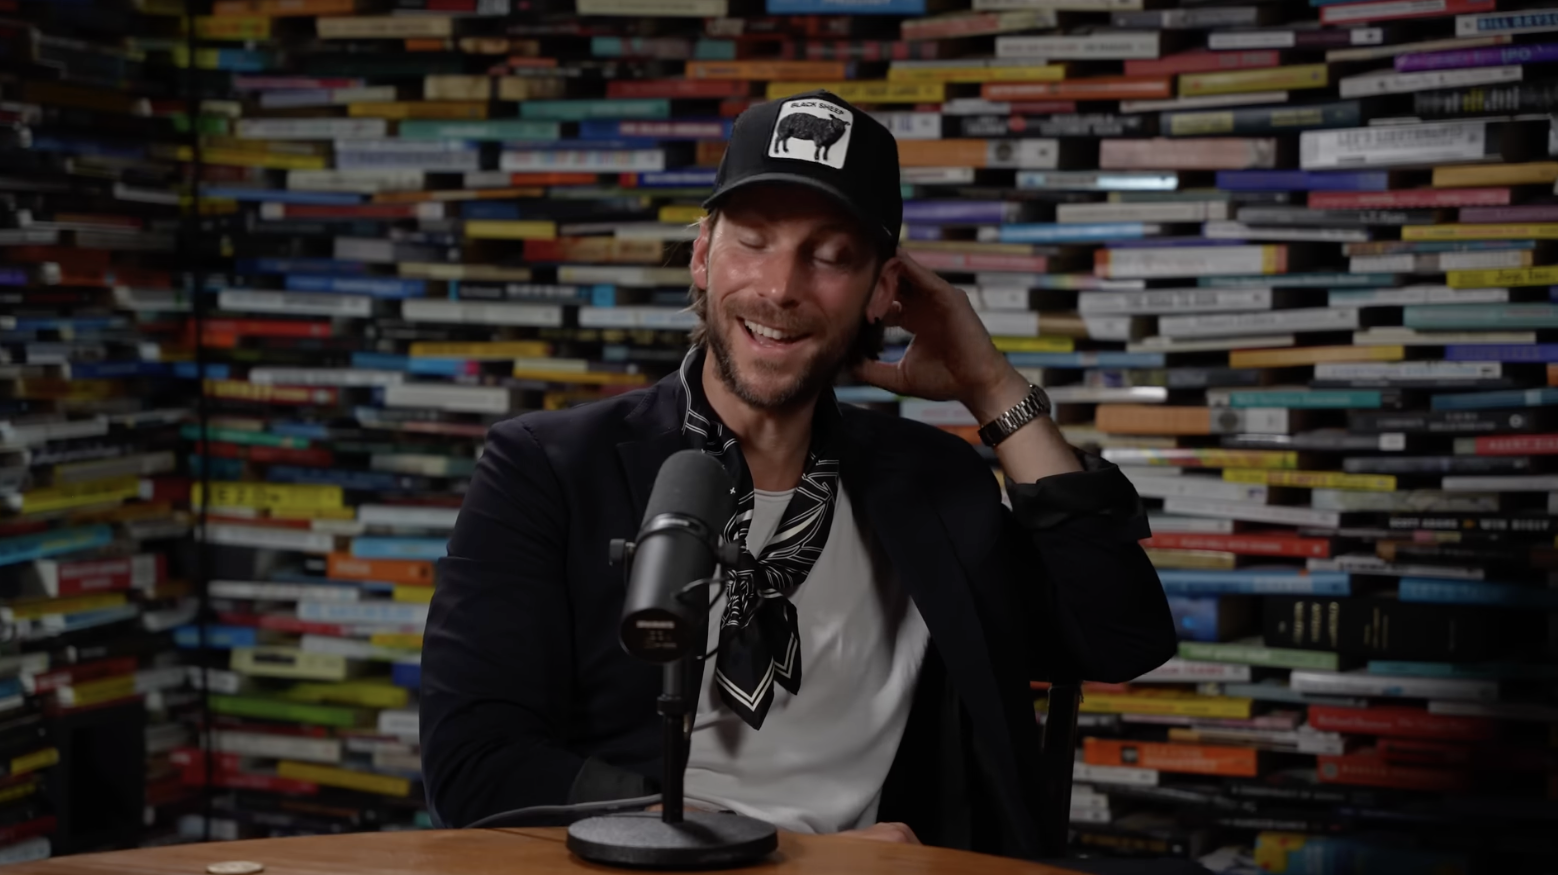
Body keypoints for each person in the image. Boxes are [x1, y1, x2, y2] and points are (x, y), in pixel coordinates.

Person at [420, 89, 1178, 858]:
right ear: (702, 255)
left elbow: (1119, 634)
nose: (780, 287)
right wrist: (773, 847)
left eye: (831, 256)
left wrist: (994, 387)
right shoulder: (547, 467)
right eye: (753, 240)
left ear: (885, 291)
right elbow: (476, 764)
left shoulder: (935, 484)